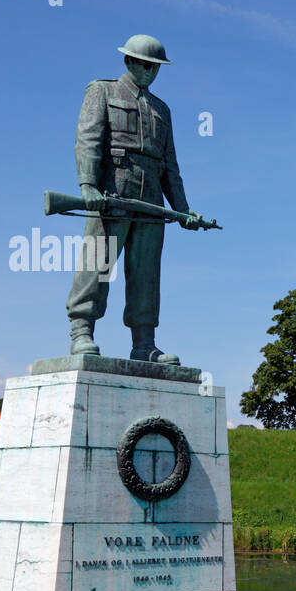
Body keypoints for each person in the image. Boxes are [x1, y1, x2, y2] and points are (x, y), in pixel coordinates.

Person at [67, 34, 203, 364]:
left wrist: (182, 209)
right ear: (128, 61)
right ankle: (82, 331)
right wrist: (88, 185)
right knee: (96, 265)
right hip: (112, 192)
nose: (150, 71)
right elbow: (87, 140)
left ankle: (144, 342)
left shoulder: (162, 109)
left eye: (155, 67)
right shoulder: (102, 90)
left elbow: (170, 164)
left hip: (151, 200)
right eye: (144, 64)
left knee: (146, 275)